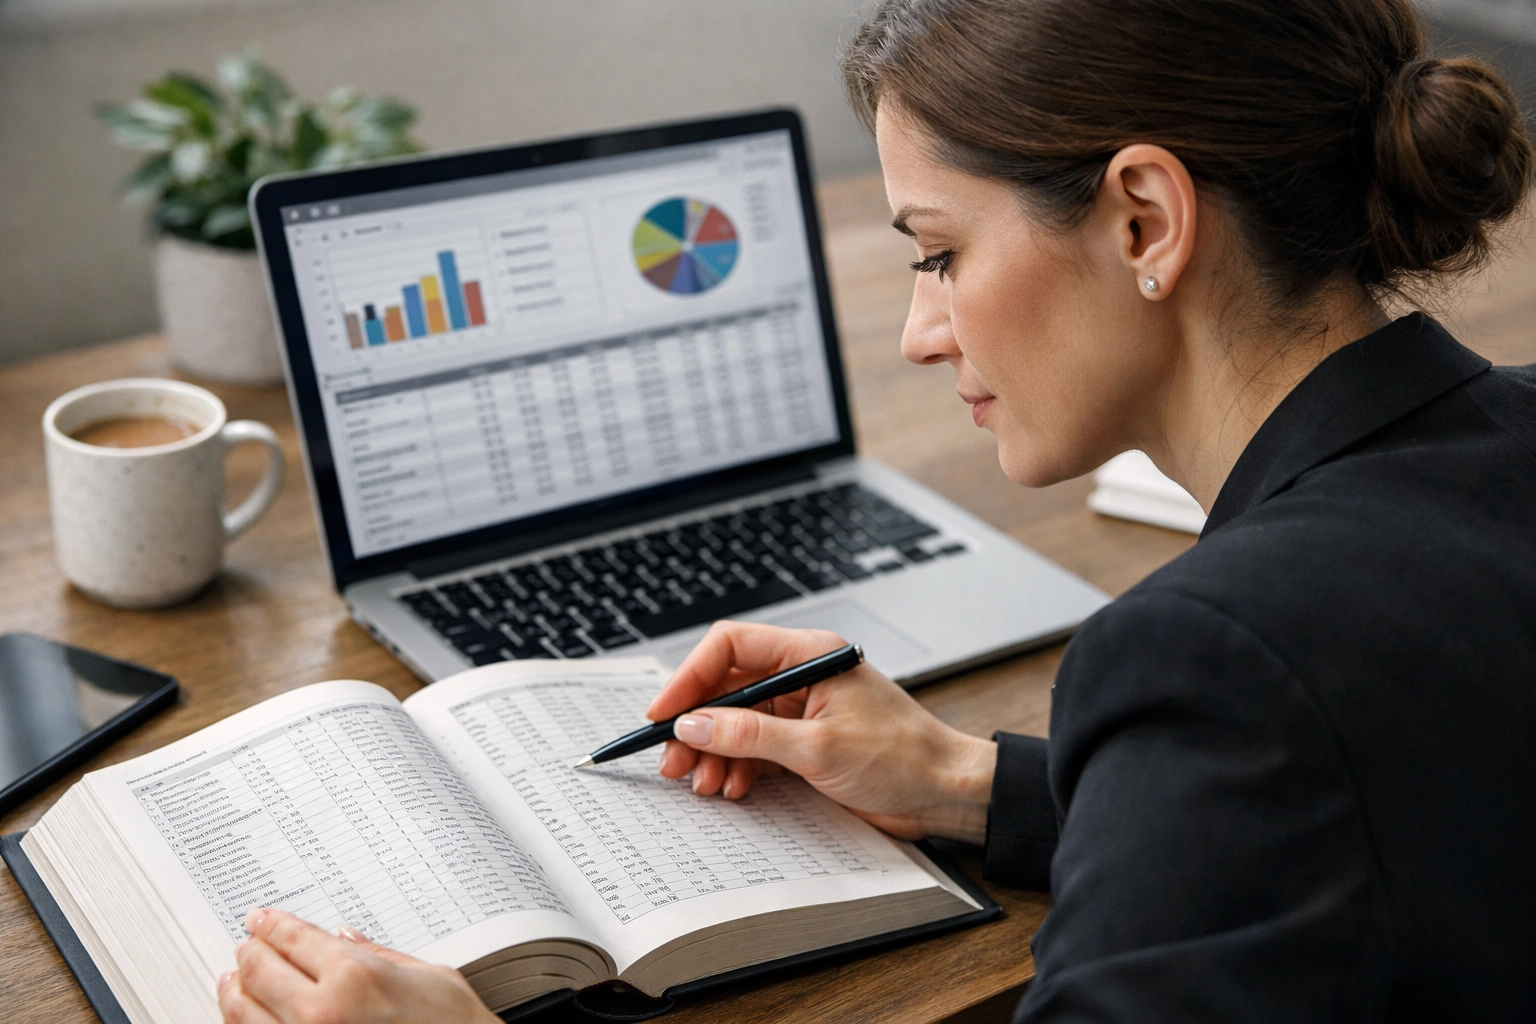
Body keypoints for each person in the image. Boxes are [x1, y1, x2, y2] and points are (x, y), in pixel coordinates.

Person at [217, 1, 1536, 1021]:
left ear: (1144, 219)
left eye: (942, 252)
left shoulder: (1217, 659)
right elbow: (1374, 808)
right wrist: (970, 782)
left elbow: (1285, 744)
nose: (917, 330)